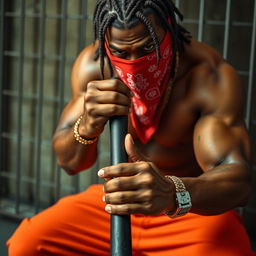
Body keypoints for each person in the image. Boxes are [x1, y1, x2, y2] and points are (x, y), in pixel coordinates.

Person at [7, 0, 256, 255]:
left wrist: (171, 192)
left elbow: (237, 181)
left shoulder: (208, 75)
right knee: (28, 244)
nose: (135, 64)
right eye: (122, 53)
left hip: (186, 206)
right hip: (119, 198)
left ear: (169, 29)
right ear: (106, 42)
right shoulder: (96, 67)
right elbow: (70, 163)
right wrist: (87, 125)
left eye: (148, 47)